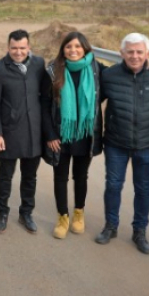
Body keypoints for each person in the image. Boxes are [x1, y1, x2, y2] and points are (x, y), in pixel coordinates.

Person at [95, 33, 149, 254]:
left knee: (143, 189)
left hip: (146, 145)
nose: (135, 56)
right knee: (113, 186)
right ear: (121, 53)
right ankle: (110, 226)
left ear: (148, 53)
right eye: (130, 51)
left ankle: (140, 231)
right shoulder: (109, 75)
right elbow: (91, 100)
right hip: (115, 143)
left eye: (139, 52)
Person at [41, 31, 103, 239]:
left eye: (77, 46)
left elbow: (122, 73)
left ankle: (79, 213)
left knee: (81, 176)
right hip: (60, 134)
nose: (73, 50)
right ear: (63, 49)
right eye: (68, 47)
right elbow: (44, 105)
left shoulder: (96, 69)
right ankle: (62, 217)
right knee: (60, 177)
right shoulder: (52, 71)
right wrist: (50, 135)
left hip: (85, 133)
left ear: (85, 48)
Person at [0, 29, 45, 234]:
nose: (18, 52)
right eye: (14, 48)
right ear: (8, 47)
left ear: (29, 47)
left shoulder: (39, 64)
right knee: (5, 177)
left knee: (30, 177)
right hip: (9, 133)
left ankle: (26, 214)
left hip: (34, 133)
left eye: (22, 48)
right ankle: (2, 213)